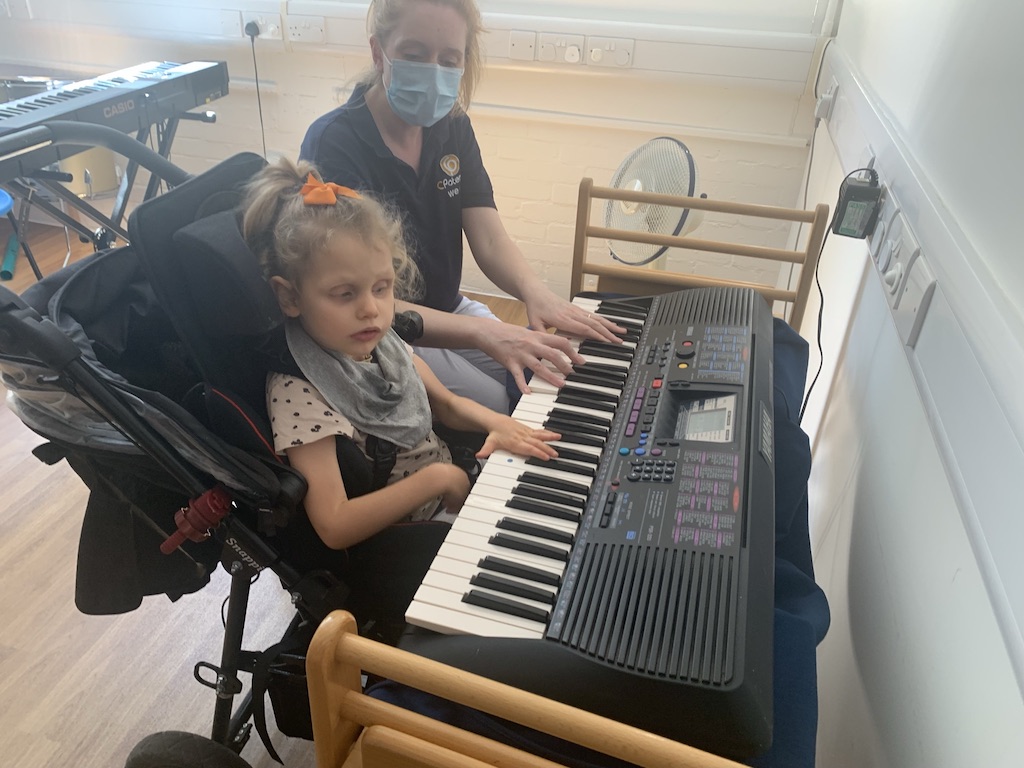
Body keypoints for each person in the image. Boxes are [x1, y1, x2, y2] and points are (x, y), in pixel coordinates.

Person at [299, 0, 626, 414]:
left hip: (448, 305)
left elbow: (488, 237)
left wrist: (536, 292)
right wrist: (481, 333)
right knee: (496, 404)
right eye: (415, 55)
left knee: (547, 370)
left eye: (448, 59)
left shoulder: (452, 125)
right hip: (379, 329)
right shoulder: (334, 144)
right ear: (378, 52)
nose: (433, 70)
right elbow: (349, 295)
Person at [239, 156, 560, 556]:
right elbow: (334, 524)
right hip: (410, 536)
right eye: (345, 294)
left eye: (381, 287)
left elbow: (446, 402)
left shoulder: (379, 342)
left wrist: (500, 424)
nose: (371, 309)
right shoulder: (300, 389)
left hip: (451, 489)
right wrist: (440, 479)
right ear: (289, 296)